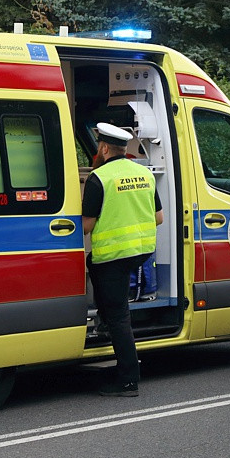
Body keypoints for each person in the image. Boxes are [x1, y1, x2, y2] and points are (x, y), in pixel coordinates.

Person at [82, 123, 164, 397]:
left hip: (113, 257)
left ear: (104, 148)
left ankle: (128, 380)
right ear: (123, 149)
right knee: (95, 270)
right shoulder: (144, 174)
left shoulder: (99, 178)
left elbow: (86, 226)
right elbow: (158, 218)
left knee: (119, 318)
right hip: (140, 252)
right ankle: (106, 321)